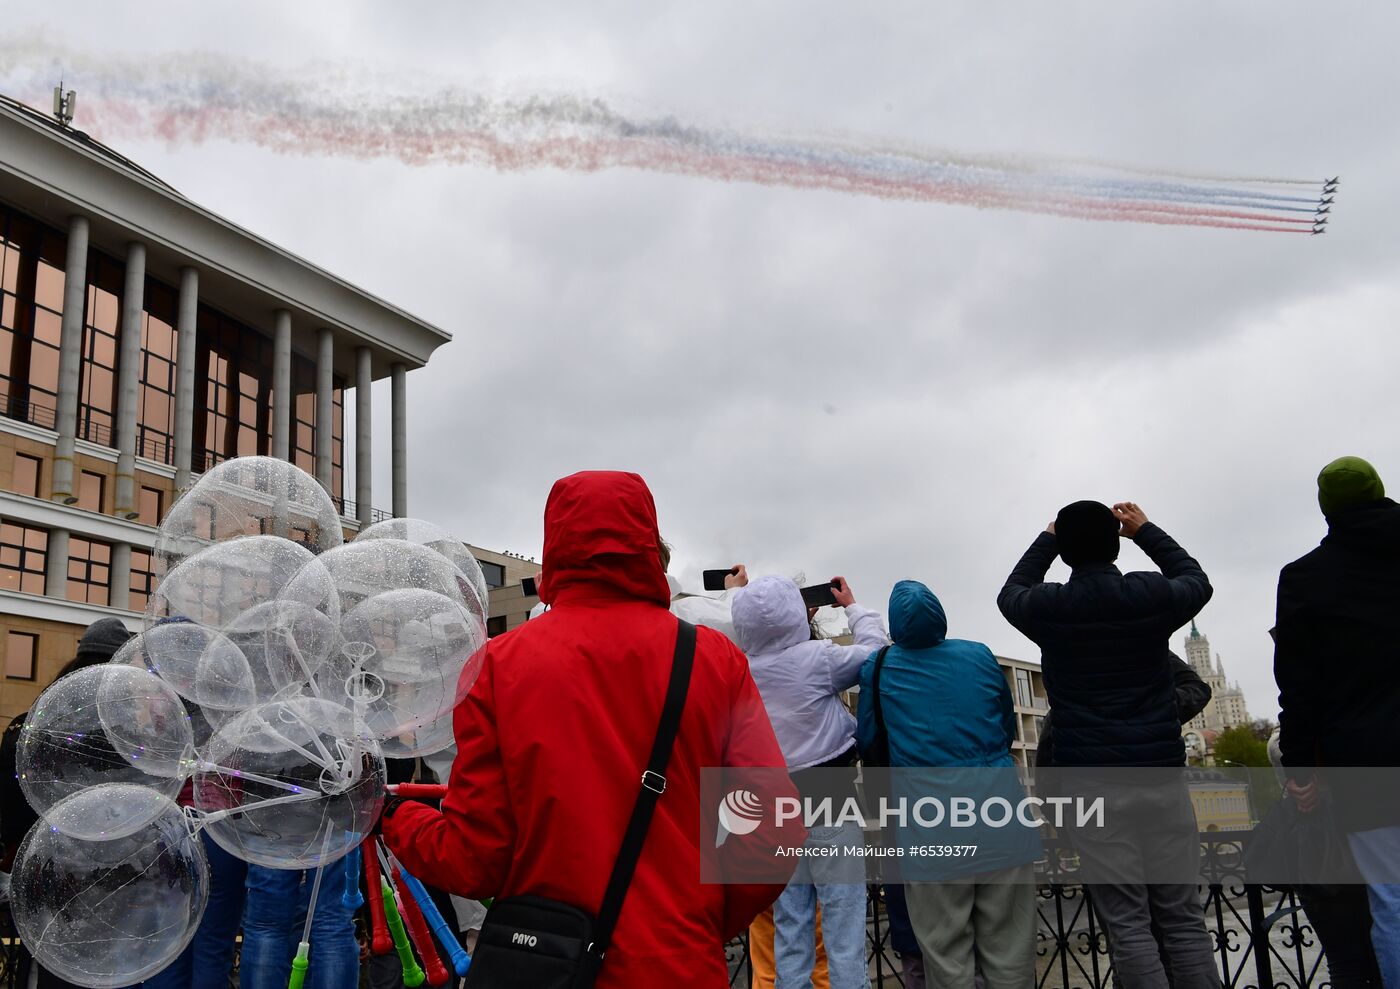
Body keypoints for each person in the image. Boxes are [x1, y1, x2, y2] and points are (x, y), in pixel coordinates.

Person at [382, 470, 797, 987]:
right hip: (681, 963)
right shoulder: (715, 661)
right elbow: (771, 835)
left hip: (549, 966)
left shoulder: (496, 667)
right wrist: (699, 922)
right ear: (647, 542)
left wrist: (396, 819)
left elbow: (475, 861)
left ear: (555, 544)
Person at [998, 500, 1217, 989]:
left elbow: (1010, 592)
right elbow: (1196, 579)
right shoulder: (1149, 596)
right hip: (1160, 775)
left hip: (1091, 784)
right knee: (1182, 917)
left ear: (1065, 550)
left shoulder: (1051, 607)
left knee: (1127, 922)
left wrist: (1048, 539)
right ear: (1116, 542)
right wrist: (1146, 531)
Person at [856, 580, 1039, 989]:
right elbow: (1005, 726)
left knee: (945, 954)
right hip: (1001, 817)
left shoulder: (879, 665)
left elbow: (868, 738)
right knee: (1011, 952)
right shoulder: (978, 655)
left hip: (929, 824)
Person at [1274, 456, 1400, 986]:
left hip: (1367, 765)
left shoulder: (1306, 579)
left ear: (1327, 508)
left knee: (1392, 902)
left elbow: (1299, 690)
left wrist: (1301, 772)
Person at [732, 573, 890, 989]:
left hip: (773, 807)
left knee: (790, 926)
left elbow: (753, 626)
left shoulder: (739, 670)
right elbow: (876, 655)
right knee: (844, 923)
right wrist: (853, 607)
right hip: (830, 797)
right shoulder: (817, 658)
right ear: (797, 614)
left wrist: (739, 596)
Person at [0, 618, 134, 989]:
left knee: (42, 957)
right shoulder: (120, 731)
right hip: (105, 871)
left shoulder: (33, 722)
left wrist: (16, 844)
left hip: (41, 863)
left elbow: (11, 799)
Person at [1267, 728, 1382, 988]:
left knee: (1343, 963)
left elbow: (1280, 749)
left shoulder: (1285, 739)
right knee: (1372, 956)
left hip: (1313, 856)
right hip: (1357, 844)